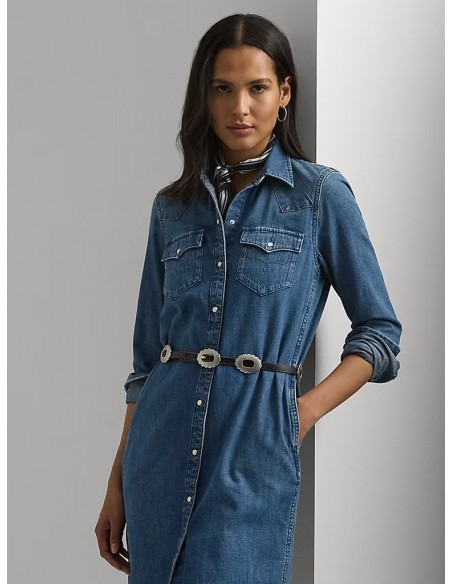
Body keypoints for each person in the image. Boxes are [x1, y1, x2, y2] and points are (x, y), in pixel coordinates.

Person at [95, 13, 402, 583]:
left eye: (257, 88)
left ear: (284, 93)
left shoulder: (318, 196)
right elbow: (145, 363)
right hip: (159, 452)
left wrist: (301, 413)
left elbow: (380, 332)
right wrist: (116, 482)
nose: (240, 107)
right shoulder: (172, 208)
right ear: (205, 98)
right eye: (223, 88)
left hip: (253, 449)